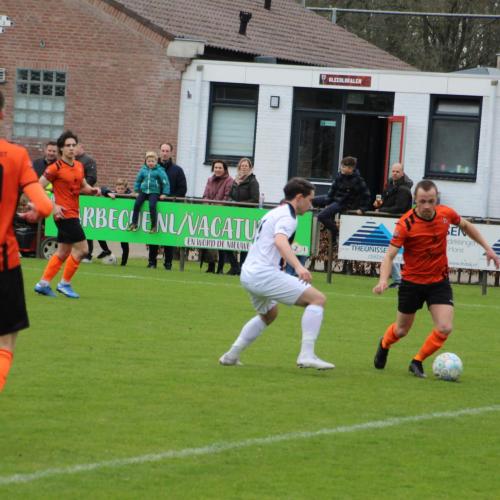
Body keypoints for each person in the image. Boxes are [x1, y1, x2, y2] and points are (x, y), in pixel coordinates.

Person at [372, 180, 500, 378]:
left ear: (436, 199)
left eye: (431, 201)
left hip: (438, 282)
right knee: (401, 330)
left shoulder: (445, 214)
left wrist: (488, 249)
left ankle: (417, 361)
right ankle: (384, 344)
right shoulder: (406, 224)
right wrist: (383, 280)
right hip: (412, 283)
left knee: (445, 327)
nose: (427, 206)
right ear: (415, 200)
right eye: (422, 201)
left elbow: (466, 226)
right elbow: (389, 256)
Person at [219, 177, 334, 370]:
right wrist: (299, 267)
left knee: (269, 314)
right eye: (310, 200)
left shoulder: (275, 212)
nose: (311, 205)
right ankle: (306, 355)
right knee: (317, 299)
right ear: (299, 198)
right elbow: (280, 241)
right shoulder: (288, 217)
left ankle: (231, 356)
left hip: (249, 273)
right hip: (263, 274)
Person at [0, 90, 53, 391]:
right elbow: (44, 205)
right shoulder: (17, 155)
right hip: (4, 262)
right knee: (5, 342)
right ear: (2, 113)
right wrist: (34, 211)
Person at [34, 130, 100, 299]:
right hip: (64, 215)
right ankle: (64, 284)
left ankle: (43, 284)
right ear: (61, 149)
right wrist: (53, 205)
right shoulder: (54, 168)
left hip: (73, 213)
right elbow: (37, 188)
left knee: (63, 252)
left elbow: (83, 186)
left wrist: (92, 190)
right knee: (83, 249)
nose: (71, 148)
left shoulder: (78, 166)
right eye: (68, 145)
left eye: (73, 145)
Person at [373, 162, 413, 288]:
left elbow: (399, 208)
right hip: (391, 222)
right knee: (391, 251)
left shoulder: (404, 189)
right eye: (393, 171)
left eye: (397, 171)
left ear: (402, 173)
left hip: (399, 224)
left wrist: (381, 210)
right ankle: (398, 279)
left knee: (393, 251)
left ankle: (400, 279)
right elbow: (387, 202)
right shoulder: (390, 185)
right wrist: (379, 204)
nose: (395, 173)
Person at [148, 142, 187, 270]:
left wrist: (169, 196)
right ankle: (152, 261)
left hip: (170, 206)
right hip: (155, 205)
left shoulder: (177, 170)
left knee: (168, 235)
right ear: (159, 151)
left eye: (167, 151)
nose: (164, 153)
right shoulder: (151, 167)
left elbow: (182, 189)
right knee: (153, 232)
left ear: (171, 152)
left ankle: (168, 263)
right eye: (163, 150)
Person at [313, 156, 371, 240]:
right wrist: (327, 201)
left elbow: (366, 195)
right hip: (334, 198)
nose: (341, 168)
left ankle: (336, 231)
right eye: (341, 166)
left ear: (350, 169)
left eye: (344, 167)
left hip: (344, 203)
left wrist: (362, 209)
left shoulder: (358, 180)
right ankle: (329, 223)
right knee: (312, 200)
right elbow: (332, 189)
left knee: (321, 216)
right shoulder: (340, 175)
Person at [226, 157, 260, 275]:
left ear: (250, 168)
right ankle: (234, 266)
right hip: (234, 214)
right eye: (242, 165)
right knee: (227, 241)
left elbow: (255, 199)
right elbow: (230, 195)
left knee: (245, 243)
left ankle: (242, 267)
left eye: (246, 166)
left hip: (247, 216)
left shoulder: (253, 181)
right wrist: (231, 202)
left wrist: (240, 204)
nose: (244, 168)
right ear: (239, 167)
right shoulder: (235, 181)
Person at [128, 151, 170, 244]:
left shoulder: (159, 170)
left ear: (156, 161)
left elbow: (165, 182)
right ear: (146, 161)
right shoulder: (143, 170)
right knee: (137, 204)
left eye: (152, 161)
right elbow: (138, 181)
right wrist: (136, 191)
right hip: (144, 191)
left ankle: (153, 226)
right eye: (149, 161)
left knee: (152, 206)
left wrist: (165, 193)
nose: (150, 163)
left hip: (154, 191)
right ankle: (134, 223)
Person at [202, 159, 234, 273]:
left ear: (224, 169)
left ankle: (220, 268)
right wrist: (208, 205)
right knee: (210, 241)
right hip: (210, 213)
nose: (217, 169)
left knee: (221, 242)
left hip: (222, 214)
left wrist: (216, 206)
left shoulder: (229, 180)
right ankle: (211, 266)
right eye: (216, 167)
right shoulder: (210, 180)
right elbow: (205, 195)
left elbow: (227, 197)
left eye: (220, 167)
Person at [74, 142, 101, 263]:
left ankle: (88, 254)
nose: (72, 149)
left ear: (81, 146)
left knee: (86, 226)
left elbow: (92, 178)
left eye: (74, 146)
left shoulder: (88, 161)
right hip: (72, 197)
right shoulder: (71, 161)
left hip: (84, 197)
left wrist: (80, 188)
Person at [101, 178, 131, 266]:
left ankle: (123, 263)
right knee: (100, 235)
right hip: (112, 221)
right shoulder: (113, 193)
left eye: (122, 189)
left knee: (124, 243)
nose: (120, 190)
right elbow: (102, 189)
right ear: (116, 188)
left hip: (123, 223)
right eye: (118, 188)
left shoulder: (130, 195)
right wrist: (108, 193)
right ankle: (106, 250)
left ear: (125, 189)